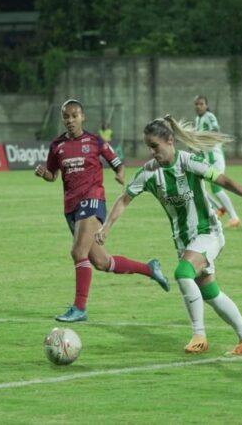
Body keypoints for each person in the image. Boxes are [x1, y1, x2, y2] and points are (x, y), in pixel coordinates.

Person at [95, 115, 242, 355]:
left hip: (208, 232)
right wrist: (106, 227)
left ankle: (199, 335)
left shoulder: (188, 162)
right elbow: (124, 199)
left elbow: (223, 179)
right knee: (210, 293)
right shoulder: (149, 172)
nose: (152, 152)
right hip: (185, 241)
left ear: (170, 141)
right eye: (149, 147)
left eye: (155, 146)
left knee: (182, 273)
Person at [35, 99, 169, 323]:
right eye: (66, 116)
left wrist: (119, 173)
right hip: (71, 206)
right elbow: (53, 175)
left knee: (78, 252)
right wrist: (44, 174)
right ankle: (149, 268)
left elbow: (117, 162)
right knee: (101, 262)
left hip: (93, 199)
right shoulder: (57, 146)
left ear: (82, 117)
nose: (70, 120)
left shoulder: (95, 141)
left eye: (74, 115)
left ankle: (79, 308)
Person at [194, 95, 241, 228]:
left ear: (206, 106)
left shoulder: (209, 116)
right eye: (196, 104)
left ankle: (234, 217)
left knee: (216, 187)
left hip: (214, 158)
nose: (198, 106)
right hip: (205, 158)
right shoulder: (198, 119)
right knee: (196, 184)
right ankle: (220, 208)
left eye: (201, 104)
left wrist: (199, 140)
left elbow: (215, 131)